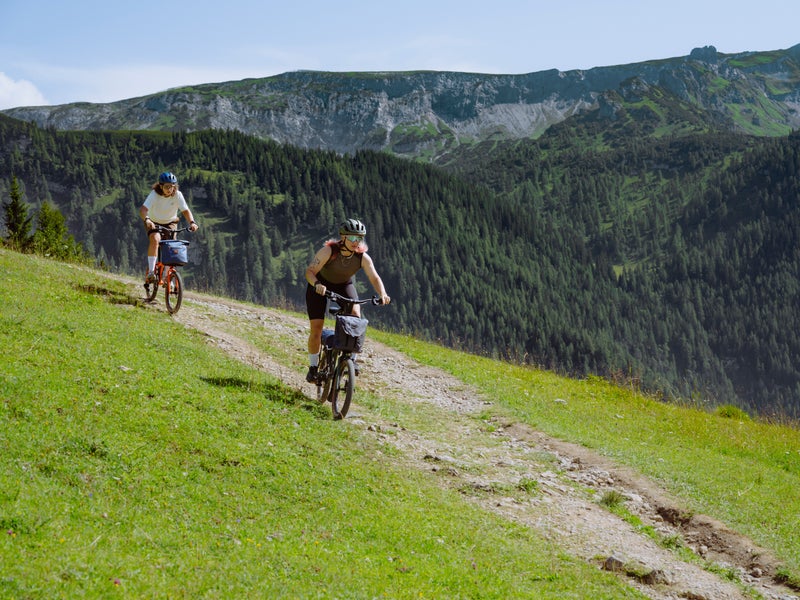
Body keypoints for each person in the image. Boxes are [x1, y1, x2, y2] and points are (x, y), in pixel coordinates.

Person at [304, 218, 391, 382]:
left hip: (343, 285)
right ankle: (313, 368)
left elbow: (374, 277)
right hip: (319, 286)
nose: (355, 242)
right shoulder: (328, 251)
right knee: (316, 328)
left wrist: (383, 294)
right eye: (352, 238)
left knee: (356, 315)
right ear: (342, 237)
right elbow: (310, 271)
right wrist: (316, 284)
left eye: (359, 238)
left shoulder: (362, 257)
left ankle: (350, 360)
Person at [139, 171, 199, 282]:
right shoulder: (154, 195)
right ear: (160, 186)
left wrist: (192, 222)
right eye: (167, 186)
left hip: (170, 222)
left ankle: (168, 277)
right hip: (153, 222)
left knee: (171, 247)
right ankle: (151, 272)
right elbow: (143, 210)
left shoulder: (177, 195)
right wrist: (147, 219)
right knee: (155, 239)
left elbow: (185, 211)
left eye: (172, 186)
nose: (170, 189)